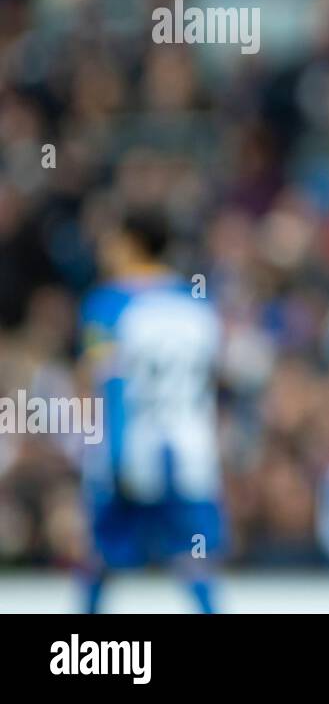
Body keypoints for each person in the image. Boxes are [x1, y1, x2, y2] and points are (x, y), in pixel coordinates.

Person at [78, 207, 224, 613]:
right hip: (192, 448)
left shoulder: (108, 303)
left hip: (130, 447)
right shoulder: (199, 304)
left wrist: (115, 455)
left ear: (130, 243)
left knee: (102, 553)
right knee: (195, 556)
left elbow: (109, 383)